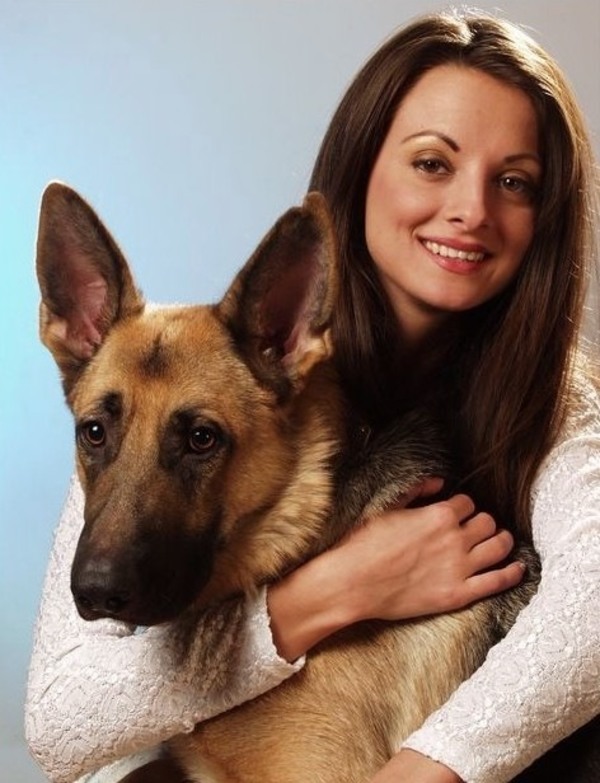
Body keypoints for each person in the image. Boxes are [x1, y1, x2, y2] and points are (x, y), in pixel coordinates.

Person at [25, 8, 599, 783]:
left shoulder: (556, 403)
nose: (471, 209)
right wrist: (331, 590)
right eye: (433, 162)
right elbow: (60, 721)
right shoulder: (164, 369)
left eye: (514, 181)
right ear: (362, 169)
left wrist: (426, 767)